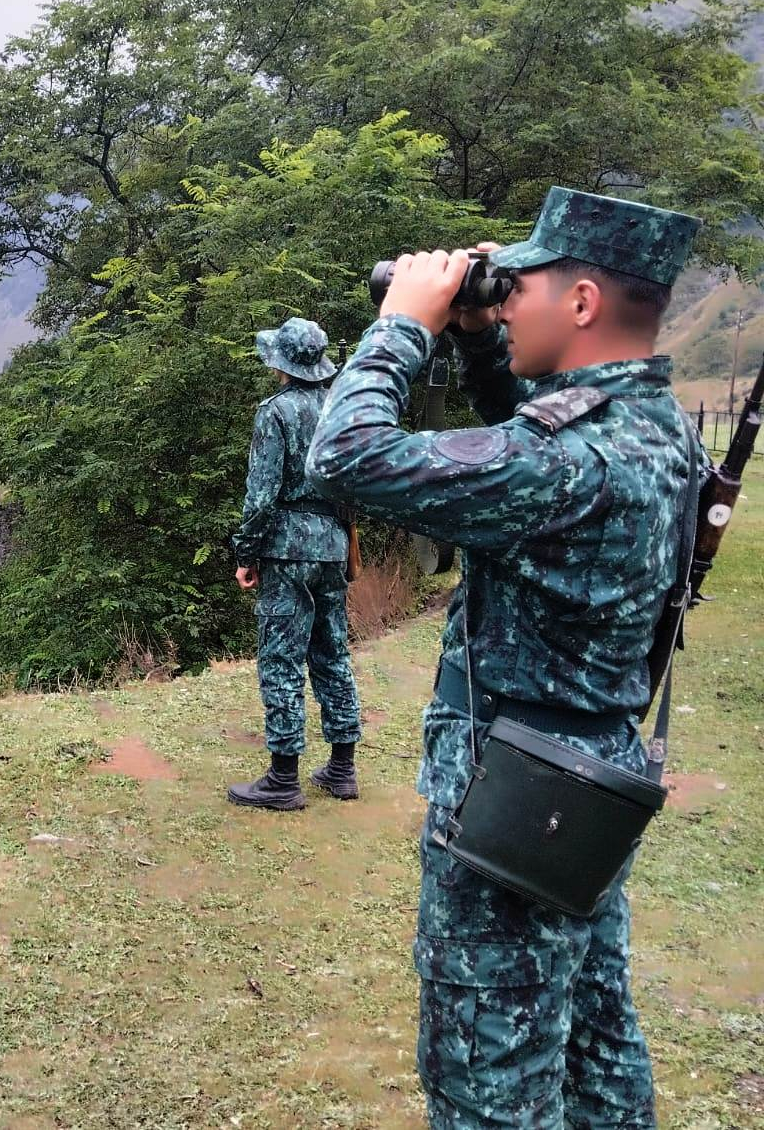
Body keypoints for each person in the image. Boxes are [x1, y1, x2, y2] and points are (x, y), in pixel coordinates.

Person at [306, 186, 701, 1127]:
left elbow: (347, 454)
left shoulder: (573, 464)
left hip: (515, 801)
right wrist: (484, 338)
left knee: (489, 1081)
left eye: (522, 282)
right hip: (589, 778)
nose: (506, 294)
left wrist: (404, 325)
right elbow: (523, 440)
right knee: (597, 1036)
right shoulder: (650, 428)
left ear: (581, 303)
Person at [227, 316, 362, 812]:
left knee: (281, 657)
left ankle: (284, 778)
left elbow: (260, 497)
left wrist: (246, 554)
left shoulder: (276, 412)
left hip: (286, 551)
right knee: (332, 650)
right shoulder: (339, 408)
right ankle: (343, 768)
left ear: (281, 363)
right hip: (331, 545)